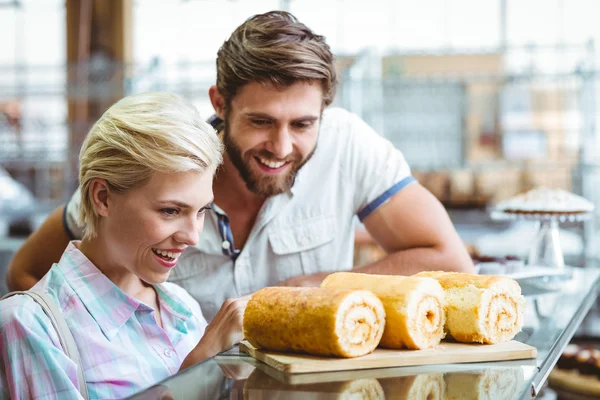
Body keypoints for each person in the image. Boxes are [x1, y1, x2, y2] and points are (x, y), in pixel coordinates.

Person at [7, 11, 473, 326]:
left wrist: (315, 286)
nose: (282, 146)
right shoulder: (162, 160)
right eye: (260, 122)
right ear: (220, 103)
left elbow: (450, 262)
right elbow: (27, 272)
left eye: (303, 124)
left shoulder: (350, 146)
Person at [0, 92, 239, 399]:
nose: (192, 236)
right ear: (102, 197)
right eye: (170, 211)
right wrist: (197, 367)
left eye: (202, 210)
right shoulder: (30, 325)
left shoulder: (183, 308)